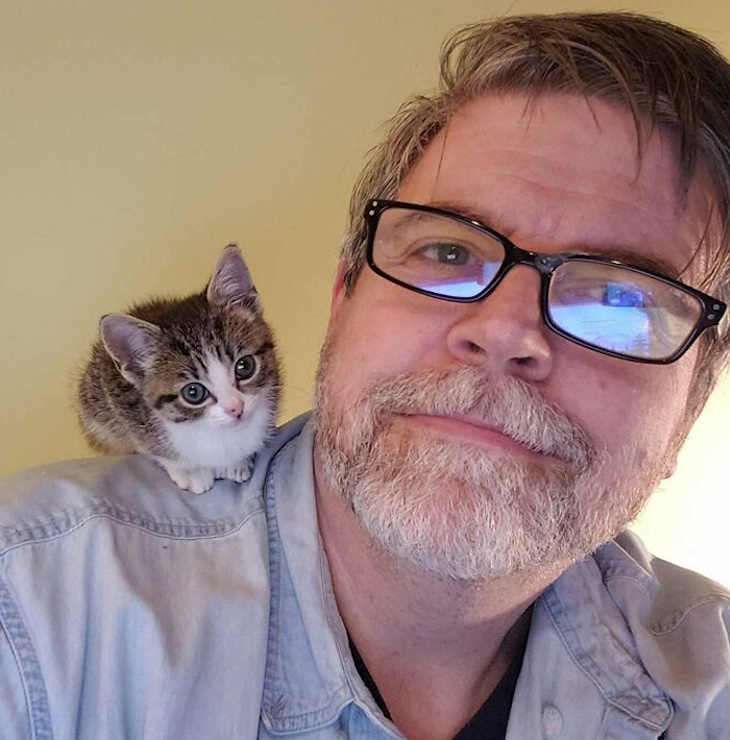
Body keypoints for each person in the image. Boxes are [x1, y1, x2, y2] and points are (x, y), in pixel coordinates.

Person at [0, 11, 729, 740]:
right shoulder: (27, 610)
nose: (504, 332)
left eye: (620, 298)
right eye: (447, 252)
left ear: (696, 397)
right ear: (344, 295)